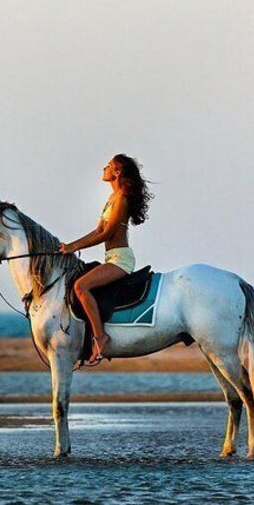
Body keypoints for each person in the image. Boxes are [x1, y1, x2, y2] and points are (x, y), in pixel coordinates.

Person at [59, 154, 153, 363]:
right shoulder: (112, 198)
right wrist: (70, 245)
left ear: (117, 173)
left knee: (81, 287)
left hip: (121, 260)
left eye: (109, 166)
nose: (104, 168)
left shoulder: (122, 199)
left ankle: (100, 336)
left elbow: (106, 234)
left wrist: (74, 247)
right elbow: (98, 230)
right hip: (111, 256)